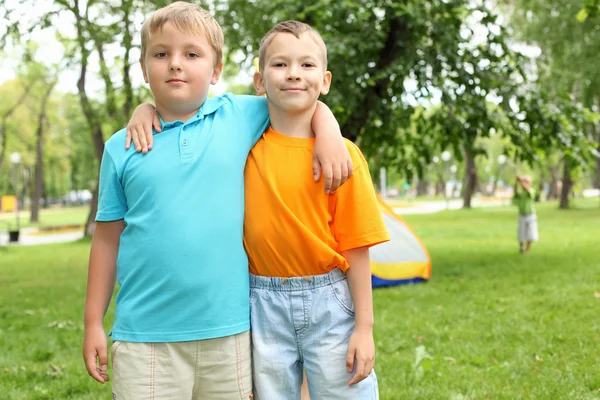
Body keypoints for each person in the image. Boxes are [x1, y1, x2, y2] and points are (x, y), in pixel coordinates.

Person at [82, 3, 352, 399]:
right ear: (143, 68)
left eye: (191, 54)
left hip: (229, 334)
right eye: (161, 54)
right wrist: (92, 322)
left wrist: (328, 128)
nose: (176, 64)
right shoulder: (121, 147)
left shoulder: (238, 116)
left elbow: (299, 99)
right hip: (144, 337)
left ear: (216, 70)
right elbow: (106, 241)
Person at [245, 21, 389, 399]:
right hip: (260, 302)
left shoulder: (344, 157)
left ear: (324, 80)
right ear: (259, 81)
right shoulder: (242, 149)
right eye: (280, 65)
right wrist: (145, 109)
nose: (293, 73)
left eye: (307, 65)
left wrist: (364, 328)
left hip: (329, 300)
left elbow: (357, 247)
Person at [513, 175, 538, 253]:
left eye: (526, 182)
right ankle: (521, 248)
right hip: (522, 215)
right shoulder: (521, 193)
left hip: (530, 215)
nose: (525, 183)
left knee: (530, 233)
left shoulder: (531, 191)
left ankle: (528, 250)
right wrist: (517, 182)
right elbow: (515, 192)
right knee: (521, 232)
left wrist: (521, 181)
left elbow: (526, 189)